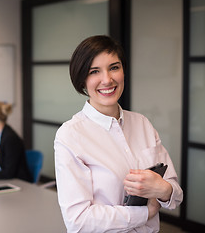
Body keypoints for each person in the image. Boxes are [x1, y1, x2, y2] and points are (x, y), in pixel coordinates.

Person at [54, 35, 183, 232]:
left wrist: (162, 189)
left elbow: (175, 193)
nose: (107, 80)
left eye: (114, 67)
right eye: (94, 71)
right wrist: (145, 214)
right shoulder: (70, 135)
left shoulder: (142, 124)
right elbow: (78, 221)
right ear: (81, 80)